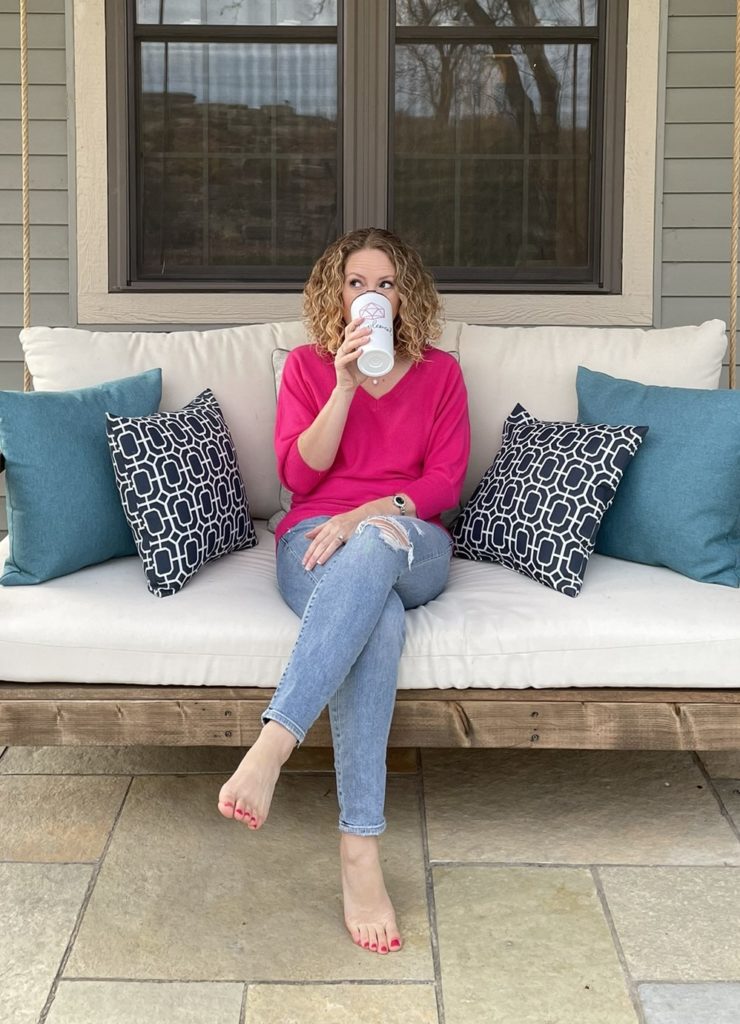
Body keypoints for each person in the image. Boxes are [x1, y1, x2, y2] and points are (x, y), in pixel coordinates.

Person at [217, 227, 471, 956]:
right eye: (356, 283)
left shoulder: (441, 374)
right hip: (313, 541)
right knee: (378, 624)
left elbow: (442, 485)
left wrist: (367, 513)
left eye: (385, 284)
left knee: (378, 546)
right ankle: (360, 851)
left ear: (406, 295)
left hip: (405, 536)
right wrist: (343, 386)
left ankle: (273, 743)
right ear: (336, 294)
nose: (371, 296)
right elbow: (301, 478)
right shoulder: (306, 367)